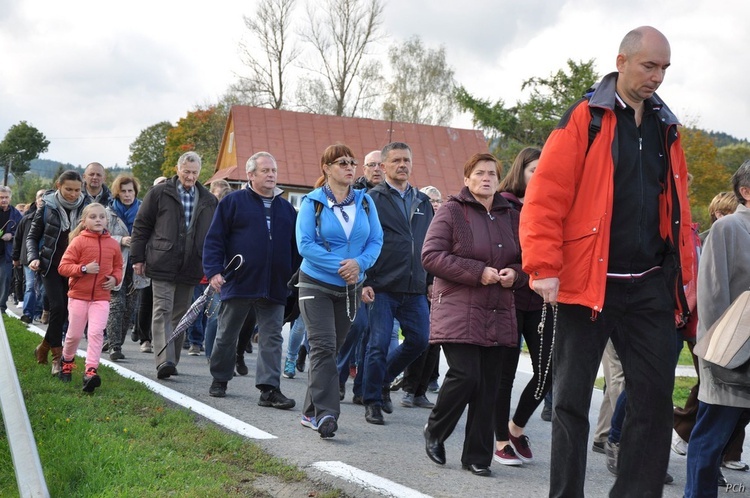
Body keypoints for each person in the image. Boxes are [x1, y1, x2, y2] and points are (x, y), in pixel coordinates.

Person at [519, 26, 694, 497]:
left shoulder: (666, 125)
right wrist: (544, 266)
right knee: (571, 403)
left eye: (664, 69)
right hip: (587, 284)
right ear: (622, 61)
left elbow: (678, 208)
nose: (657, 77)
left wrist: (684, 280)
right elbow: (545, 196)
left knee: (654, 399)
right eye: (649, 66)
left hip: (649, 285)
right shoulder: (586, 117)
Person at [422, 152, 526, 477]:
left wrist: (516, 275)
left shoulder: (511, 216)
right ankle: (435, 431)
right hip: (458, 309)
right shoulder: (453, 212)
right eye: (479, 173)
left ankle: (478, 457)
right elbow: (430, 255)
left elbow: (527, 260)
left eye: (492, 174)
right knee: (466, 375)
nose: (486, 178)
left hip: (498, 309)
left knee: (489, 386)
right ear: (467, 179)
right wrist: (477, 271)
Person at [295, 144, 383, 438]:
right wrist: (341, 265)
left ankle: (310, 411)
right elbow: (305, 244)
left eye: (352, 162)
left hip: (350, 287)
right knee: (322, 346)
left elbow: (376, 241)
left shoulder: (366, 202)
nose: (349, 167)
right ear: (326, 168)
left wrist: (358, 264)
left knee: (332, 348)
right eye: (342, 162)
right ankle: (327, 414)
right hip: (315, 283)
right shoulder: (313, 202)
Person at [204, 151, 298, 410]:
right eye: (265, 170)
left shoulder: (287, 208)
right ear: (250, 175)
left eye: (274, 171)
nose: (271, 175)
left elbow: (295, 247)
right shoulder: (233, 202)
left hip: (275, 284)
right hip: (239, 279)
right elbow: (215, 239)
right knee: (227, 333)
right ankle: (220, 378)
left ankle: (269, 389)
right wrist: (214, 271)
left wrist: (291, 274)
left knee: (272, 337)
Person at [685, 162, 750, 497]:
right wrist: (726, 353)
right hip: (729, 353)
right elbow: (711, 295)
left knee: (724, 437)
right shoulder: (729, 229)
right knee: (711, 437)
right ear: (746, 192)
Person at [360, 142, 433, 425]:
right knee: (377, 344)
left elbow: (430, 244)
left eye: (407, 160)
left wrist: (430, 279)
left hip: (415, 285)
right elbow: (361, 239)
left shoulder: (423, 202)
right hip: (381, 285)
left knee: (421, 340)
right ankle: (372, 401)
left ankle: (384, 380)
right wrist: (364, 278)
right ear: (384, 166)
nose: (402, 165)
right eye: (396, 160)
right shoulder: (371, 199)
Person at [488, 147, 551, 466]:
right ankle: (500, 441)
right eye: (533, 169)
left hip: (542, 302)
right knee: (504, 375)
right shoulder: (503, 206)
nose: (539, 175)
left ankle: (516, 427)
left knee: (548, 372)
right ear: (520, 171)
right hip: (509, 299)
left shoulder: (551, 206)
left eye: (544, 170)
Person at [131, 151, 217, 379]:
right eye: (186, 171)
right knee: (162, 309)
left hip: (191, 264)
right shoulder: (159, 193)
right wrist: (137, 258)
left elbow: (214, 236)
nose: (190, 177)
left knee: (181, 314)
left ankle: (172, 360)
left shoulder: (209, 200)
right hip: (162, 260)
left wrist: (212, 264)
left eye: (195, 173)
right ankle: (163, 359)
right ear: (178, 170)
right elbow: (141, 226)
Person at [28, 170, 92, 375]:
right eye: (68, 189)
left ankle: (44, 346)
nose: (73, 194)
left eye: (77, 190)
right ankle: (57, 358)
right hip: (51, 266)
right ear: (58, 186)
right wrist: (33, 257)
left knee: (67, 312)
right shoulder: (47, 207)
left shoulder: (87, 206)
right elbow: (32, 236)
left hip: (75, 268)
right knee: (57, 307)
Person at [334, 149, 384, 400]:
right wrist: (363, 277)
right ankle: (339, 377)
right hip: (357, 276)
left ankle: (362, 388)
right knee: (356, 327)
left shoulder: (400, 197)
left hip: (387, 279)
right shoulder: (356, 197)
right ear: (363, 169)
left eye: (380, 165)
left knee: (373, 337)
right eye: (371, 164)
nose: (377, 169)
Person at [57, 203, 123, 392]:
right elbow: (63, 267)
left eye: (101, 217)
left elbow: (118, 266)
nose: (98, 220)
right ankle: (67, 361)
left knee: (96, 333)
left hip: (102, 297)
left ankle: (90, 371)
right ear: (84, 221)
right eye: (93, 217)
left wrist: (115, 278)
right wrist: (83, 269)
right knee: (74, 335)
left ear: (107, 220)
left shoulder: (113, 244)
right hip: (79, 296)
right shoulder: (78, 242)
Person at [399, 185, 444, 409]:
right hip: (420, 287)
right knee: (420, 339)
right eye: (431, 200)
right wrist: (427, 283)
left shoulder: (445, 225)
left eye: (438, 200)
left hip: (442, 290)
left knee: (434, 343)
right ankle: (408, 388)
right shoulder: (420, 223)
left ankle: (421, 390)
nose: (435, 204)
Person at [104, 174, 142, 361]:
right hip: (115, 264)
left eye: (130, 191)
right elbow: (101, 235)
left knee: (130, 308)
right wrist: (120, 240)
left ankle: (115, 339)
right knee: (116, 305)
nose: (127, 195)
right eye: (123, 191)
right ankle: (114, 346)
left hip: (137, 264)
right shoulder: (109, 212)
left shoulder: (143, 210)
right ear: (117, 192)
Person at [12, 189, 44, 324]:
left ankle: (38, 311)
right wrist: (16, 257)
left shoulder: (52, 218)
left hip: (46, 258)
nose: (42, 200)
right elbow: (18, 239)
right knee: (30, 285)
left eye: (45, 197)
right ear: (36, 200)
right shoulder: (26, 219)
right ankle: (27, 313)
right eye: (40, 197)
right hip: (29, 257)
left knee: (43, 288)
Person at [0, 186, 22, 313]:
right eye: (1, 197)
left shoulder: (16, 214)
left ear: (10, 198)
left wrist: (11, 235)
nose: (4, 200)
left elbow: (20, 232)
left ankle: (1, 306)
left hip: (7, 253)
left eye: (6, 197)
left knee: (5, 279)